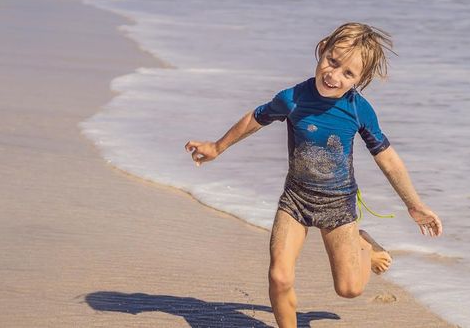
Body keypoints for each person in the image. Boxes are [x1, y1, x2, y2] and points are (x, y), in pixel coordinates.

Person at [184, 22, 443, 328]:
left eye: (348, 73)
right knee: (279, 276)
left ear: (361, 80)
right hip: (295, 200)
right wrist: (217, 146)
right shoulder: (293, 98)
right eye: (332, 62)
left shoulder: (359, 110)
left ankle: (364, 246)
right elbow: (256, 118)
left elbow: (387, 159)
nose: (334, 76)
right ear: (323, 49)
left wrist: (414, 204)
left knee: (349, 289)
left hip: (338, 207)